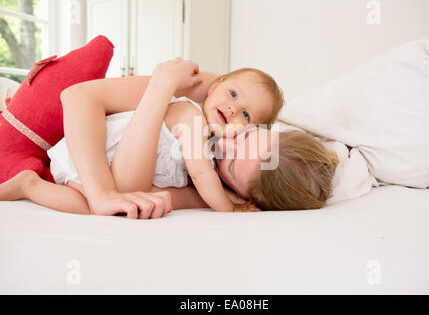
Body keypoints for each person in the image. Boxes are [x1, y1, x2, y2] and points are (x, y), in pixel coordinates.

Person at [0, 58, 285, 217]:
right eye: (233, 94)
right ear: (216, 85)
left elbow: (174, 191)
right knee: (102, 203)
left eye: (246, 116)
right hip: (95, 149)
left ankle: (28, 185)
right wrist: (229, 208)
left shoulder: (214, 142)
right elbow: (199, 172)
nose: (234, 109)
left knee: (88, 208)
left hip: (104, 171)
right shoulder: (191, 115)